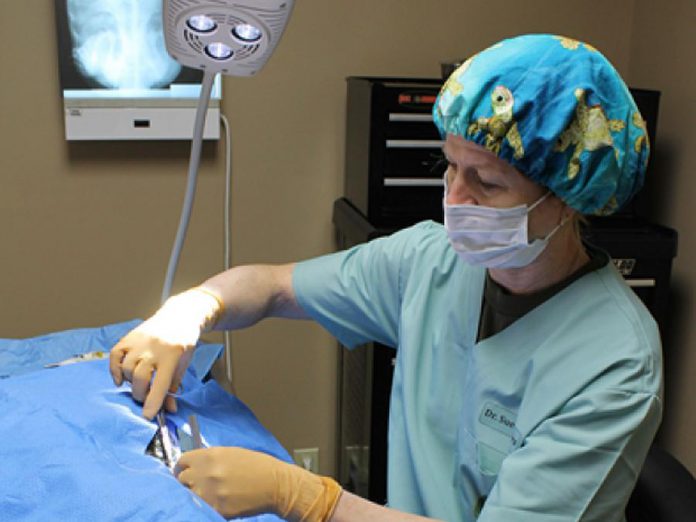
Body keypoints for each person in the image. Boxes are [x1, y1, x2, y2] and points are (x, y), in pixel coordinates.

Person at [109, 34, 662, 521]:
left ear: (565, 198)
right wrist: (191, 310)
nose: (454, 199)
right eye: (449, 166)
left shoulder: (614, 363)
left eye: (487, 183)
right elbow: (274, 286)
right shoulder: (431, 260)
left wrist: (307, 499)